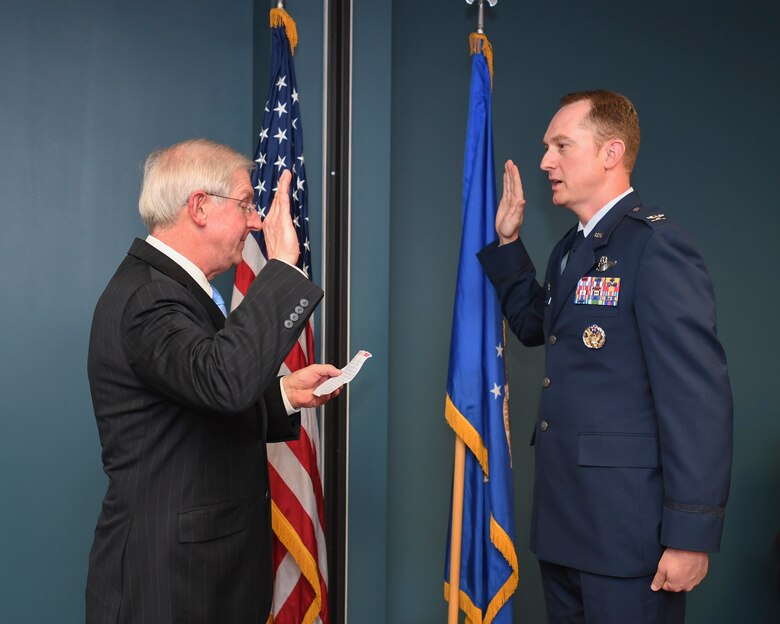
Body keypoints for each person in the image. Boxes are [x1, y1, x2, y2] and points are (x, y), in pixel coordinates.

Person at [478, 91, 733, 623]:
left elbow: (697, 402)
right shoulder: (571, 247)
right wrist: (508, 244)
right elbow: (536, 329)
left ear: (611, 153)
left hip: (628, 537)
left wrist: (691, 537)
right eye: (546, 147)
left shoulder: (656, 246)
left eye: (561, 146)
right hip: (566, 525)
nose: (545, 160)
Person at [85, 139, 340, 624]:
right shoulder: (148, 298)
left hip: (202, 578)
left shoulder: (173, 289)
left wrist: (282, 394)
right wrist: (282, 268)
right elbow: (223, 380)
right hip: (169, 585)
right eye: (245, 204)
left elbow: (195, 397)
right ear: (199, 206)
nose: (255, 221)